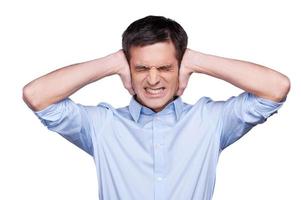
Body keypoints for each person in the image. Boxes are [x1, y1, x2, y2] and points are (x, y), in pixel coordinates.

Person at [22, 15, 290, 200]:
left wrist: (196, 60)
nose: (152, 79)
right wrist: (112, 62)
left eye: (164, 67)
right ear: (128, 69)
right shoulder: (102, 125)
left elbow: (276, 88)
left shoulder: (210, 120)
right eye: (141, 68)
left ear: (180, 69)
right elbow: (36, 95)